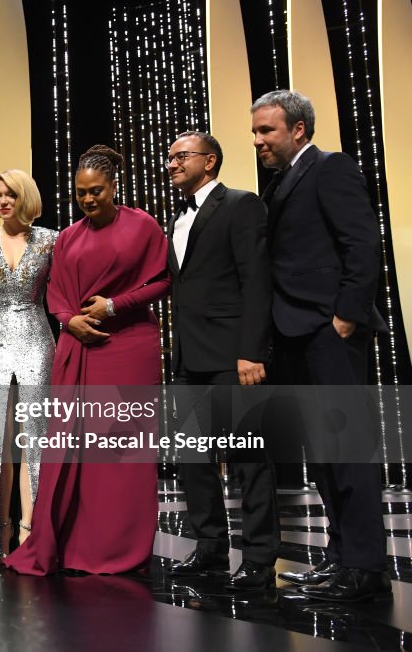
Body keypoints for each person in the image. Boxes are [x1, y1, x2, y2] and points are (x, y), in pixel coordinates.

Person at [4, 145, 170, 575]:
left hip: (129, 347)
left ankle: (119, 547)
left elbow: (163, 279)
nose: (89, 199)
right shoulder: (69, 236)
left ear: (114, 187)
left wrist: (115, 305)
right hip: (79, 349)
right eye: (81, 193)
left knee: (120, 452)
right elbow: (55, 290)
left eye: (96, 191)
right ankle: (74, 545)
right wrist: (68, 321)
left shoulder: (143, 225)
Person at [250, 90, 389, 601]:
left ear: (298, 129)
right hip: (296, 335)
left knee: (349, 449)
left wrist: (346, 318)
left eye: (267, 130)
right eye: (256, 132)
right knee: (324, 454)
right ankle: (341, 558)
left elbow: (362, 242)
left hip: (329, 334)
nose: (259, 140)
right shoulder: (282, 181)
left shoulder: (330, 168)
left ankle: (365, 567)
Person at [162, 131, 279, 589]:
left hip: (235, 357)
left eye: (180, 156)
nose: (171, 164)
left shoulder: (241, 204)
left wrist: (252, 351)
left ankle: (259, 558)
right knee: (193, 458)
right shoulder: (177, 217)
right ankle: (209, 546)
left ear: (209, 161)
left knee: (249, 460)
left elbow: (257, 281)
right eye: (169, 158)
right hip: (190, 357)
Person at [0, 169, 58, 566]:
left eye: (10, 194)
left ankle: (31, 533)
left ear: (26, 198)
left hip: (38, 339)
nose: (2, 200)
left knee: (33, 439)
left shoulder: (51, 240)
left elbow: (62, 294)